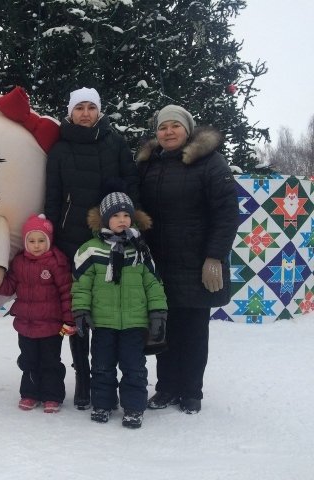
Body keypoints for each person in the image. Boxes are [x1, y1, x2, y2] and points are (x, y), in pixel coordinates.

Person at [44, 87, 149, 410]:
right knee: (79, 310)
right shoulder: (60, 148)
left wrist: (131, 226)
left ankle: (110, 379)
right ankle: (84, 378)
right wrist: (50, 231)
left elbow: (130, 185)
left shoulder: (114, 142)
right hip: (71, 237)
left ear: (99, 111)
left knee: (108, 310)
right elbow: (53, 193)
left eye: (91, 107)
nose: (86, 113)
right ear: (70, 112)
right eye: (80, 108)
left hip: (111, 237)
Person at [137, 105, 239, 414]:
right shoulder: (148, 165)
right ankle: (166, 387)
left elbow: (227, 214)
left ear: (187, 130)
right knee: (163, 327)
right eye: (162, 127)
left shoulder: (210, 163)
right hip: (159, 261)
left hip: (197, 262)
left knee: (194, 330)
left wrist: (215, 257)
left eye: (174, 126)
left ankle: (191, 391)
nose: (168, 132)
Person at [71, 191, 167, 428]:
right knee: (102, 366)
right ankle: (103, 404)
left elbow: (153, 283)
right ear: (105, 220)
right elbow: (80, 284)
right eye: (116, 215)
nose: (122, 219)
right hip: (103, 322)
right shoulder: (90, 250)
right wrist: (81, 310)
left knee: (134, 367)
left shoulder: (140, 249)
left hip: (134, 323)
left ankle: (134, 407)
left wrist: (158, 312)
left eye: (126, 215)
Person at [0, 214, 75, 413]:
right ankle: (30, 393)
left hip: (53, 327)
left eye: (41, 240)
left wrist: (69, 320)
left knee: (50, 361)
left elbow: (66, 292)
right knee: (28, 360)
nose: (37, 245)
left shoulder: (56, 263)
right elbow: (10, 287)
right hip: (25, 325)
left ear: (49, 241)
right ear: (25, 242)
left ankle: (52, 396)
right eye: (32, 241)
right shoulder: (19, 263)